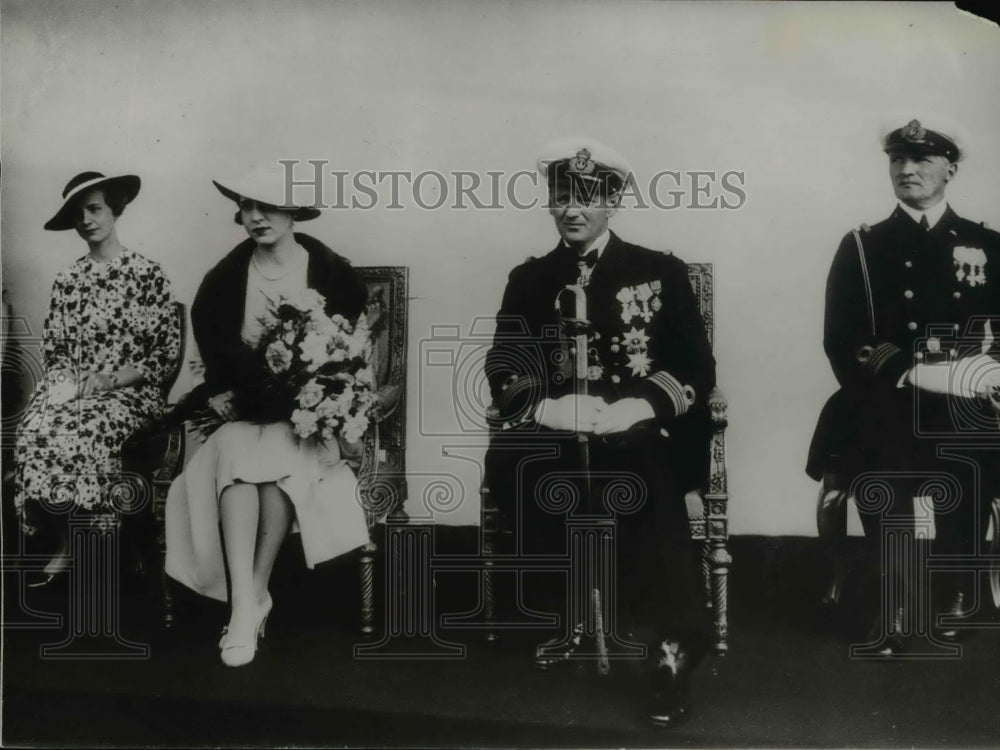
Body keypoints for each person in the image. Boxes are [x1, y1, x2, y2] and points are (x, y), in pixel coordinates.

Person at [484, 138, 716, 727]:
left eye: (587, 196)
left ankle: (670, 653)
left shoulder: (659, 271)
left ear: (613, 200)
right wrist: (548, 407)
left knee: (648, 478)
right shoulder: (529, 279)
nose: (573, 209)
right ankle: (561, 617)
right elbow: (503, 364)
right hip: (555, 435)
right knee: (525, 468)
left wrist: (640, 405)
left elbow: (695, 367)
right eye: (562, 196)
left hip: (634, 431)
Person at [164, 170, 370, 667]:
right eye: (247, 206)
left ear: (294, 210)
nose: (255, 217)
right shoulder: (224, 279)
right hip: (242, 416)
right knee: (237, 451)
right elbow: (208, 361)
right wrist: (216, 395)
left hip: (304, 421)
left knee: (275, 453)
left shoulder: (331, 275)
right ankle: (246, 602)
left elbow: (351, 358)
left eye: (269, 206)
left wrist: (324, 400)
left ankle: (249, 598)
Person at [819, 117, 1000, 653]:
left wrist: (988, 373)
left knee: (969, 451)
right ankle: (892, 594)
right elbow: (842, 336)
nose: (908, 169)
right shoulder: (861, 245)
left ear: (951, 167)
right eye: (898, 159)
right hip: (886, 395)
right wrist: (915, 372)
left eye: (922, 159)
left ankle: (960, 591)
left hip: (970, 399)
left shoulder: (987, 243)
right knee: (880, 455)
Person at [14, 171, 181, 586]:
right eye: (79, 214)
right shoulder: (68, 280)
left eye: (95, 209)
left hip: (130, 395)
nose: (87, 220)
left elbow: (163, 355)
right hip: (78, 391)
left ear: (114, 210)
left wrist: (109, 380)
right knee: (33, 426)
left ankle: (96, 543)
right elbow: (54, 350)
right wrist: (68, 383)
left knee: (85, 426)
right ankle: (66, 537)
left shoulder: (147, 274)